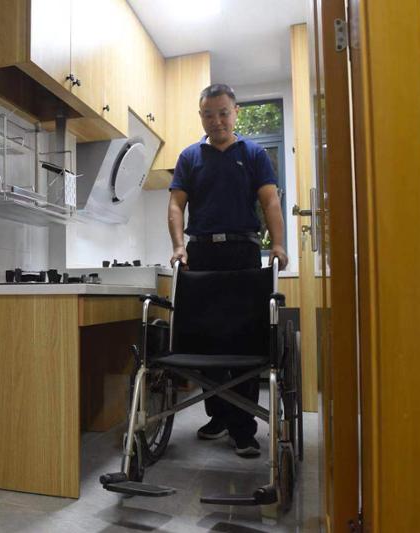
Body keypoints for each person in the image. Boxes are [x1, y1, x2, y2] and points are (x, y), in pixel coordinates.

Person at [167, 83, 288, 457]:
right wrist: (178, 245)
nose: (216, 120)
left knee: (243, 338)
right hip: (201, 254)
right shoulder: (190, 157)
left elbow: (270, 201)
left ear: (236, 112)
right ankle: (218, 416)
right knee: (207, 338)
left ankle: (243, 428)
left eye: (223, 113)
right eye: (209, 114)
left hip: (242, 252)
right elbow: (176, 206)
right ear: (201, 116)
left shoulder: (253, 154)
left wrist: (278, 244)